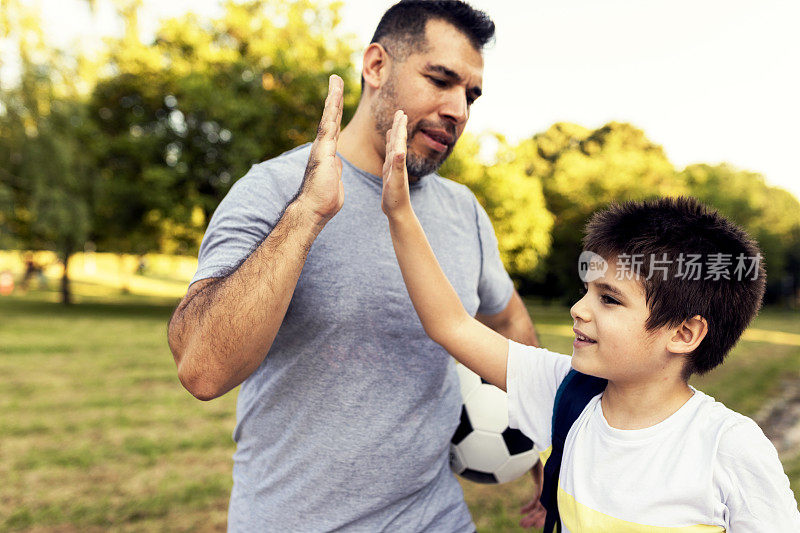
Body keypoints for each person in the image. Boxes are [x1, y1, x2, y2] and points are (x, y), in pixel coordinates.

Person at [168, 1, 546, 530]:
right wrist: (308, 213)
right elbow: (202, 370)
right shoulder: (273, 189)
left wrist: (546, 446)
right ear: (375, 66)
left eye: (471, 94)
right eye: (440, 80)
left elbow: (509, 325)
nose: (459, 109)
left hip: (434, 515)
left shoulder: (464, 212)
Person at [380, 111, 800, 531]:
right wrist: (399, 213)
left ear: (683, 333)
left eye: (609, 299)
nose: (579, 309)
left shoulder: (729, 449)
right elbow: (450, 324)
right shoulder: (565, 393)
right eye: (587, 291)